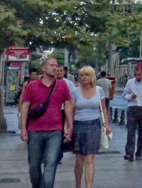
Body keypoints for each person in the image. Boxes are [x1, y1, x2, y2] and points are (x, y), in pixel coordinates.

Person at [19, 56, 73, 188]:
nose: (55, 68)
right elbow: (25, 107)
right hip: (35, 130)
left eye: (56, 65)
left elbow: (68, 105)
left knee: (51, 162)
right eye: (51, 65)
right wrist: (23, 129)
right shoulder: (32, 86)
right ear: (43, 68)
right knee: (34, 164)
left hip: (55, 130)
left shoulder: (62, 85)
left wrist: (69, 125)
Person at [73, 66, 111, 188]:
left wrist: (106, 125)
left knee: (90, 159)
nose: (84, 77)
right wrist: (67, 127)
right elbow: (71, 110)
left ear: (92, 77)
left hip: (94, 125)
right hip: (78, 125)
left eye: (87, 75)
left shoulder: (99, 90)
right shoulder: (74, 91)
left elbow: (103, 108)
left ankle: (88, 186)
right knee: (79, 160)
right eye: (82, 75)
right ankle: (78, 185)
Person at [122, 63, 142, 161]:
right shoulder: (130, 82)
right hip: (132, 108)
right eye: (136, 74)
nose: (137, 77)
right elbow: (124, 95)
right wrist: (130, 96)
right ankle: (129, 153)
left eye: (139, 74)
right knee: (130, 132)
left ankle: (139, 152)